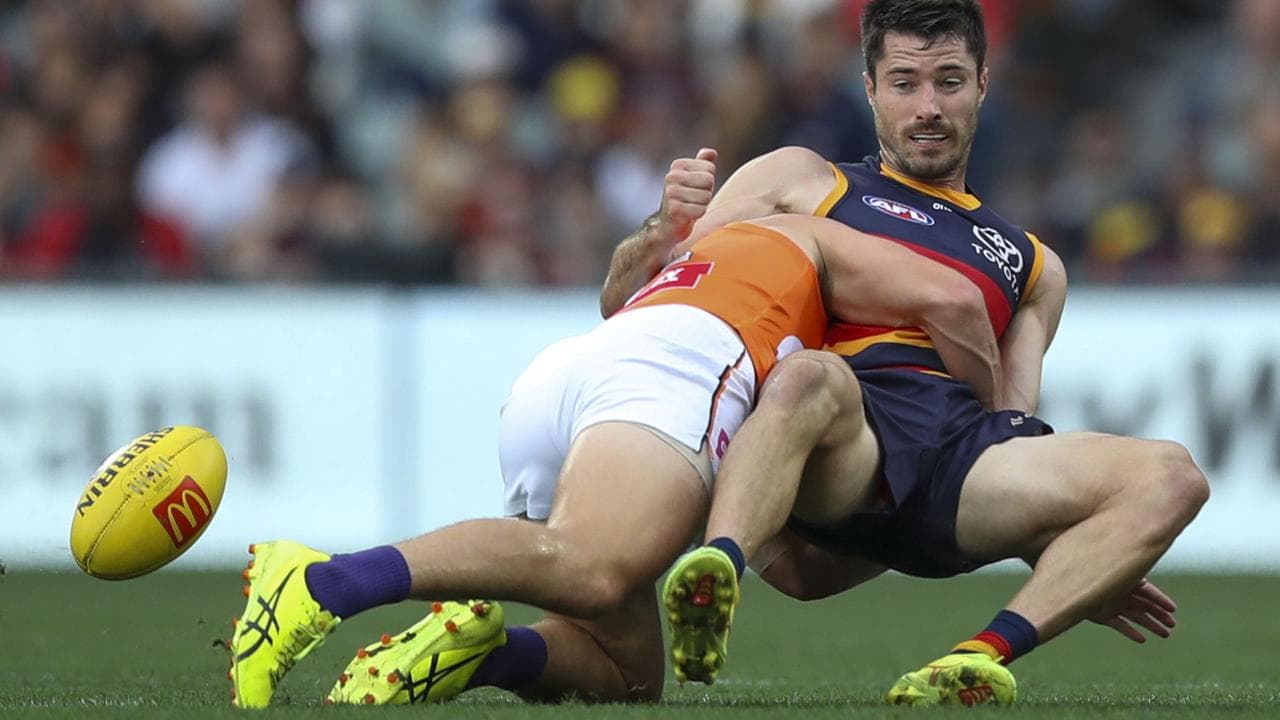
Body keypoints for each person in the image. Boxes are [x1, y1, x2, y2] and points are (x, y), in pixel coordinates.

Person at [601, 0, 1210, 706]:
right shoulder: (802, 179)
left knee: (1174, 476)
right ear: (869, 88)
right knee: (811, 377)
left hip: (954, 465)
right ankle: (716, 574)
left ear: (982, 84)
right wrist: (657, 231)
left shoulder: (1033, 264)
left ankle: (978, 658)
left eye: (949, 82)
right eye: (904, 83)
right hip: (838, 452)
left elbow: (1009, 425)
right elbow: (630, 302)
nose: (928, 107)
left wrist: (1074, 556)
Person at [227, 213, 1004, 709]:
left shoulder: (719, 238)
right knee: (592, 567)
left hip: (577, 371)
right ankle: (322, 583)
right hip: (679, 369)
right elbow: (959, 304)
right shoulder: (819, 237)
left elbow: (793, 564)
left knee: (624, 674)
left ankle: (482, 656)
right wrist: (988, 435)